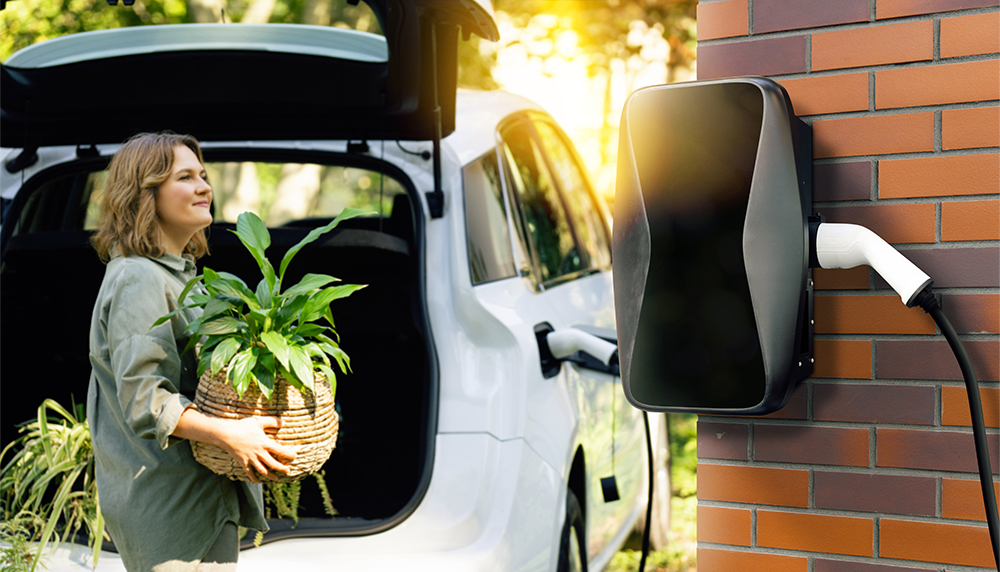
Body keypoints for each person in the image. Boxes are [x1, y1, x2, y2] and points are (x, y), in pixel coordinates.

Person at [88, 132, 295, 571]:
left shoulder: (184, 280)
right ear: (145, 194)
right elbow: (146, 399)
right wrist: (231, 435)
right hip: (171, 509)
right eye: (185, 177)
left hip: (199, 499)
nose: (205, 186)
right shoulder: (139, 277)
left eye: (203, 175)